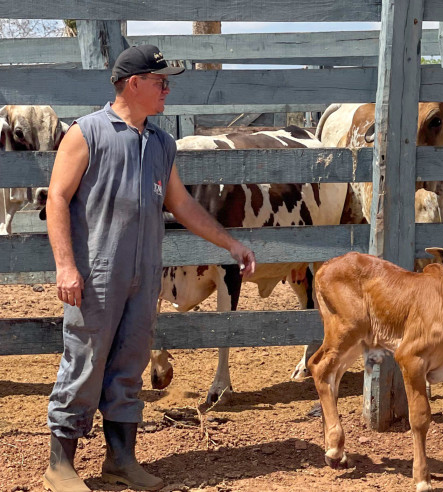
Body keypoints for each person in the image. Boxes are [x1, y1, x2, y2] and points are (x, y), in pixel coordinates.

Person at [43, 44, 257, 492]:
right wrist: (66, 267)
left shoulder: (161, 143)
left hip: (144, 277)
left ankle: (120, 459)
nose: (167, 88)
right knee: (84, 362)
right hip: (96, 275)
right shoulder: (87, 133)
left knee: (130, 364)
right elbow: (57, 198)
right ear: (133, 83)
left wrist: (230, 243)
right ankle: (59, 465)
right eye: (161, 81)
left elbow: (180, 205)